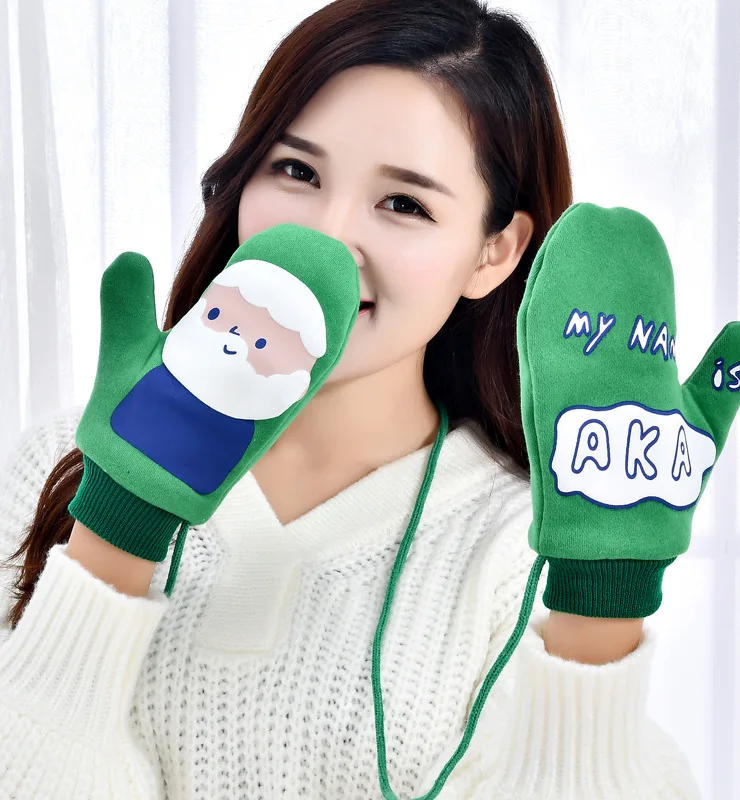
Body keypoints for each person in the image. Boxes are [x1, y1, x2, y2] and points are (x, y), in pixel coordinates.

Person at [0, 0, 702, 797]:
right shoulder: (64, 465)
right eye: (296, 172)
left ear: (494, 251)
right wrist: (118, 527)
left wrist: (601, 605)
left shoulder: (525, 544)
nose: (327, 239)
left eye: (404, 203)